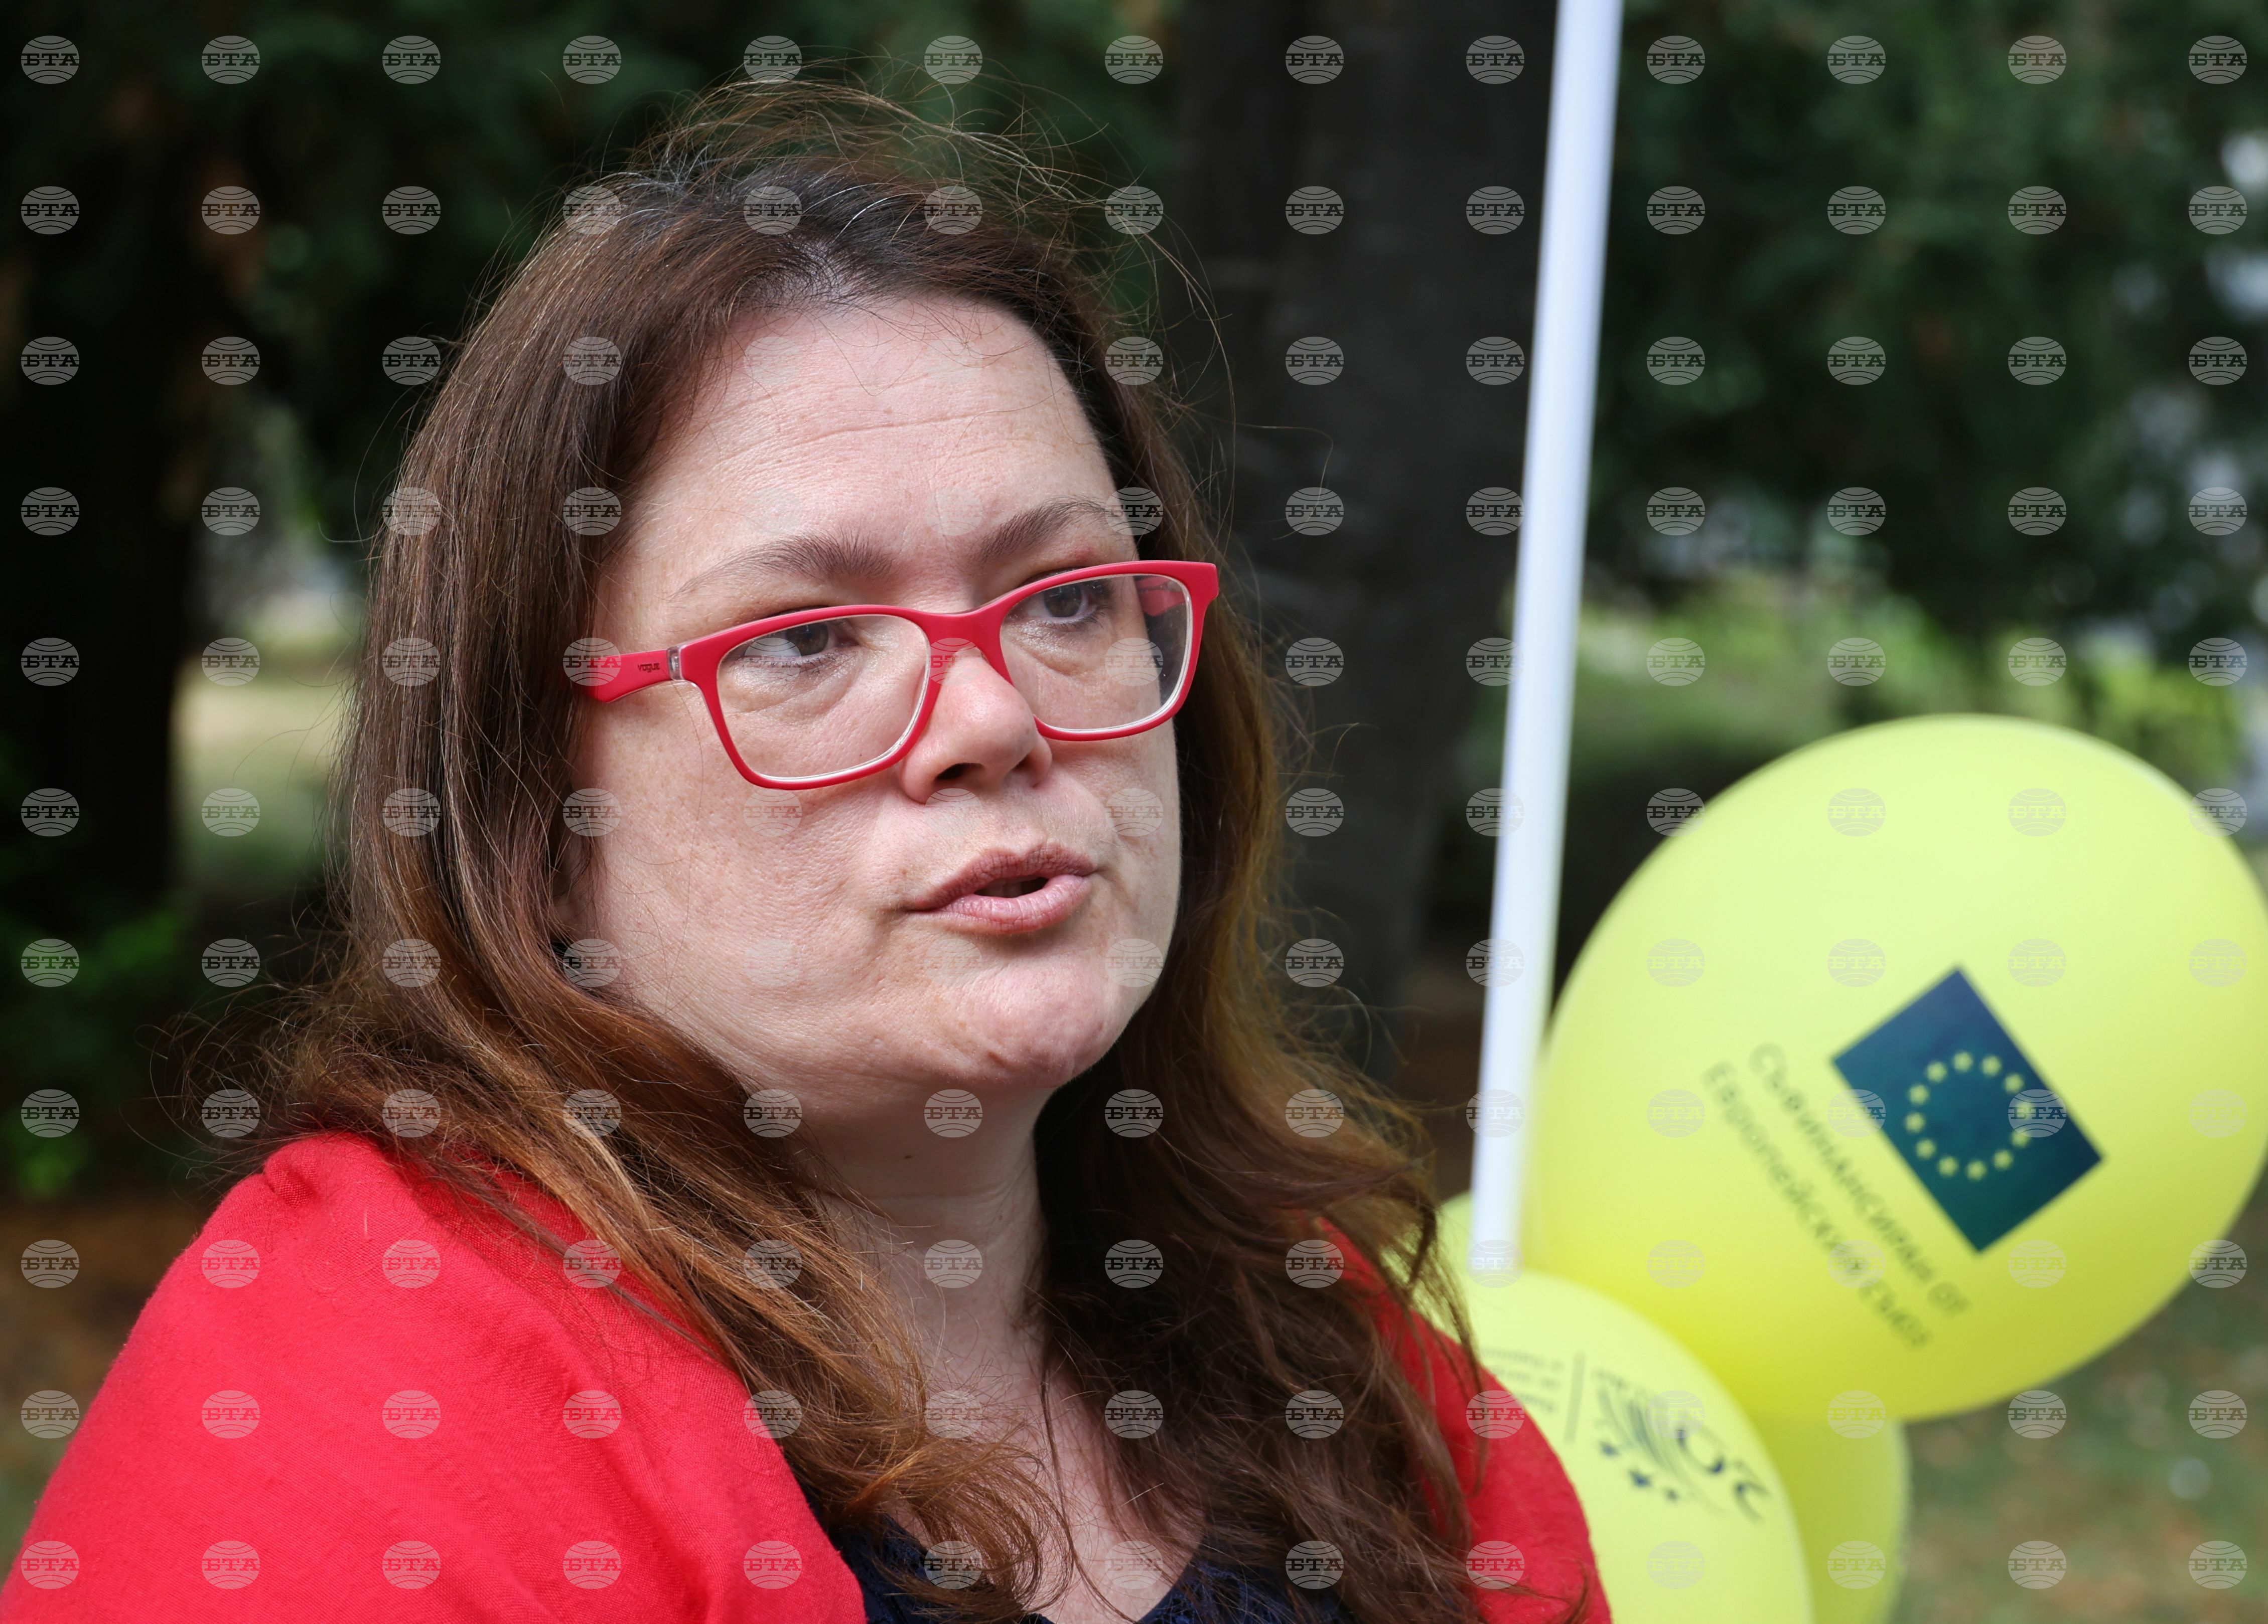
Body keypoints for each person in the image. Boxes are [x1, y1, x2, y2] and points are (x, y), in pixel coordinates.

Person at [1, 75, 1606, 1624]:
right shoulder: (355, 1435)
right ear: (537, 823)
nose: (993, 717)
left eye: (1064, 597)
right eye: (807, 638)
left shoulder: (1346, 1364)